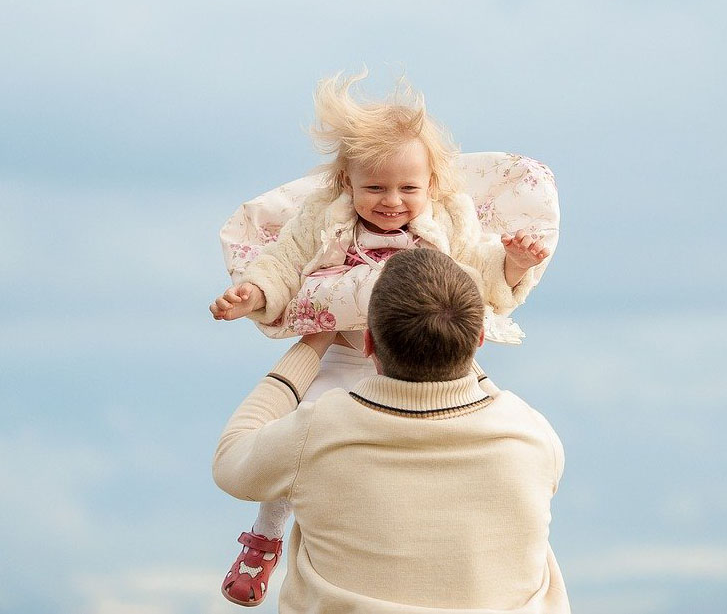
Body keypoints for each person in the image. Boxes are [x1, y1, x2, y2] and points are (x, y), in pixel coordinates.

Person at [209, 70, 552, 605]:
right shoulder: (322, 222)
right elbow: (284, 267)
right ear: (346, 183)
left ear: (432, 184)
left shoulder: (447, 222)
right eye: (374, 187)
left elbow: (479, 277)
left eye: (408, 188)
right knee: (297, 438)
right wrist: (253, 294)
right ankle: (266, 537)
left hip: (424, 358)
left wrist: (513, 261)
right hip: (344, 355)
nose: (391, 201)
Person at [213, 248, 569, 613]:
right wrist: (451, 336)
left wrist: (313, 341)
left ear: (367, 343)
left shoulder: (319, 432)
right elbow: (483, 394)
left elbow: (231, 461)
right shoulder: (533, 437)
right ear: (478, 339)